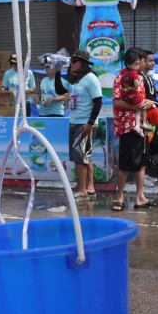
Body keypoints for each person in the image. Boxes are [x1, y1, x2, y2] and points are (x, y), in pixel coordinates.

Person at [54, 49, 103, 200]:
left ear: (82, 64)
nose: (71, 64)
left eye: (74, 62)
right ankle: (90, 188)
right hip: (75, 121)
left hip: (84, 123)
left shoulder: (90, 78)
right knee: (85, 156)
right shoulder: (75, 80)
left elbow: (98, 102)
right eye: (71, 62)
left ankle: (82, 191)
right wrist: (57, 73)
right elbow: (60, 90)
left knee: (79, 157)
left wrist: (90, 123)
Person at [112, 48, 155, 212]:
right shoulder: (121, 77)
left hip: (142, 126)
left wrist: (148, 104)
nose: (141, 64)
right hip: (128, 125)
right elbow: (117, 102)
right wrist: (137, 105)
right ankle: (120, 197)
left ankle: (140, 197)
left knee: (142, 162)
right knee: (125, 163)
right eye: (140, 61)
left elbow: (146, 99)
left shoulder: (142, 78)